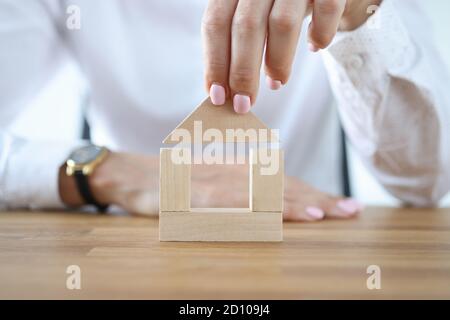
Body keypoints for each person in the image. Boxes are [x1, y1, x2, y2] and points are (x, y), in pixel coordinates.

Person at [0, 0, 449, 221]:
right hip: (126, 242)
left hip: (314, 243)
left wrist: (359, 18)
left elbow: (427, 181)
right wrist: (103, 171)